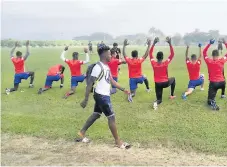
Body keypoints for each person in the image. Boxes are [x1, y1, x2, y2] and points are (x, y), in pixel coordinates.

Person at [78, 45, 131, 149]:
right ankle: (118, 142)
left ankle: (81, 132)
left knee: (96, 114)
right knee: (111, 117)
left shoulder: (106, 66)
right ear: (104, 54)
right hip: (102, 96)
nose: (111, 55)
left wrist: (124, 89)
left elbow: (112, 81)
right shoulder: (98, 67)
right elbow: (89, 84)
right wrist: (85, 99)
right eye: (109, 53)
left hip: (101, 95)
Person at [149, 37, 176, 110]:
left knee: (159, 100)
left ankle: (156, 103)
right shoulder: (165, 63)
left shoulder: (153, 63)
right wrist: (170, 43)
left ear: (156, 57)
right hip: (165, 83)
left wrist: (154, 43)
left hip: (157, 84)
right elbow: (172, 54)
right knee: (173, 79)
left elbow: (150, 54)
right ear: (162, 57)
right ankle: (172, 95)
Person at [203, 39, 227, 110]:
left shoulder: (209, 61)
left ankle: (213, 102)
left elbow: (204, 53)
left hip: (214, 83)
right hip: (222, 82)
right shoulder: (222, 60)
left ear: (212, 56)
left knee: (209, 100)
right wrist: (225, 43)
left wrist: (209, 44)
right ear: (218, 55)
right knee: (224, 82)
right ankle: (223, 94)